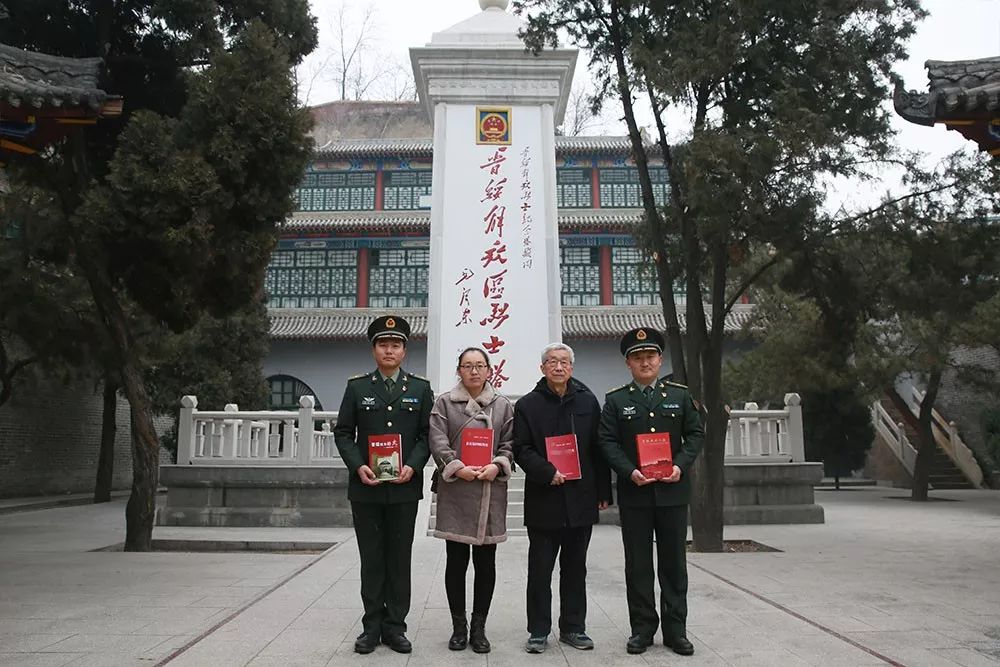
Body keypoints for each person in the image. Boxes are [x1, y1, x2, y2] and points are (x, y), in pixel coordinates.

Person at [598, 327, 704, 656]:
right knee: (639, 565)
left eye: (650, 356)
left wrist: (679, 466)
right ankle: (642, 629)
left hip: (672, 491)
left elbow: (695, 434)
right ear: (628, 363)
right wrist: (629, 471)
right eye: (637, 357)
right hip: (636, 494)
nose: (645, 362)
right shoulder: (616, 400)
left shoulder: (680, 396)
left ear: (660, 359)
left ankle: (676, 630)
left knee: (674, 564)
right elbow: (607, 441)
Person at [333, 315, 433, 655]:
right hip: (366, 486)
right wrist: (358, 465)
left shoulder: (420, 388)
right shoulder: (357, 387)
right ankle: (371, 627)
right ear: (374, 349)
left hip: (404, 486)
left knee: (399, 558)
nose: (389, 350)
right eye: (383, 344)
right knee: (372, 558)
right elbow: (344, 433)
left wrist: (413, 465)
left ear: (405, 350)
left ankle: (396, 627)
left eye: (396, 344)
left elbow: (425, 436)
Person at [512, 342, 612, 654]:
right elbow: (521, 448)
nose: (558, 367)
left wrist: (604, 491)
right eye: (552, 362)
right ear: (542, 368)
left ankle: (573, 627)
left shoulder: (587, 400)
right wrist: (546, 471)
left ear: (571, 367)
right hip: (545, 497)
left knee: (576, 568)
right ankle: (539, 631)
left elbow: (598, 448)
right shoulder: (528, 405)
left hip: (580, 498)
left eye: (564, 362)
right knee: (540, 570)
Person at [428, 347, 515, 654]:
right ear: (459, 370)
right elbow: (437, 439)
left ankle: (479, 627)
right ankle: (458, 627)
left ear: (489, 370)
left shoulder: (502, 405)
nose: (474, 371)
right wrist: (456, 467)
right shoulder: (444, 403)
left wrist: (498, 464)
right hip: (457, 489)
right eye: (468, 366)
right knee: (456, 560)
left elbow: (510, 442)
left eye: (480, 365)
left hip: (490, 489)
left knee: (486, 562)